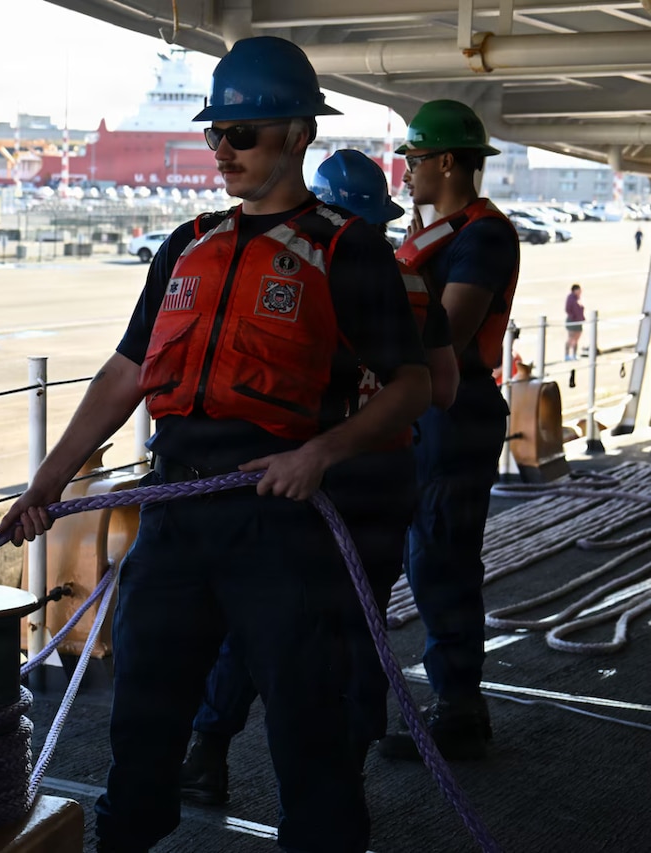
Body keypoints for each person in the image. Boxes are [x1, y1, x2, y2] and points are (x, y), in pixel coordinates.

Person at [0, 37, 431, 853]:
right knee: (143, 717)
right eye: (215, 134)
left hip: (281, 520)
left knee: (311, 723)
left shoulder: (347, 248)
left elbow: (413, 385)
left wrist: (322, 454)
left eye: (244, 133)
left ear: (298, 133)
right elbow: (127, 370)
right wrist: (47, 482)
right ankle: (124, 838)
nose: (223, 150)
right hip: (176, 517)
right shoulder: (186, 245)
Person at [178, 149, 460, 808]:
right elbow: (442, 389)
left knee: (260, 620)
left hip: (301, 474)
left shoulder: (305, 269)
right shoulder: (413, 283)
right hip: (384, 478)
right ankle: (344, 775)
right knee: (360, 625)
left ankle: (206, 752)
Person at [376, 99, 520, 762]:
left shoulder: (483, 237)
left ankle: (460, 709)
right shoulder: (437, 234)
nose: (406, 169)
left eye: (414, 156)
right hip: (426, 417)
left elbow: (452, 329)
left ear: (447, 162)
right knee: (422, 555)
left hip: (457, 418)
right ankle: (454, 703)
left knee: (442, 559)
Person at [565, 284, 584, 361]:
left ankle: (574, 354)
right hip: (573, 321)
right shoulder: (571, 299)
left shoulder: (577, 298)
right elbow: (568, 309)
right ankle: (567, 355)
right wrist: (573, 316)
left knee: (576, 338)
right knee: (571, 338)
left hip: (578, 321)